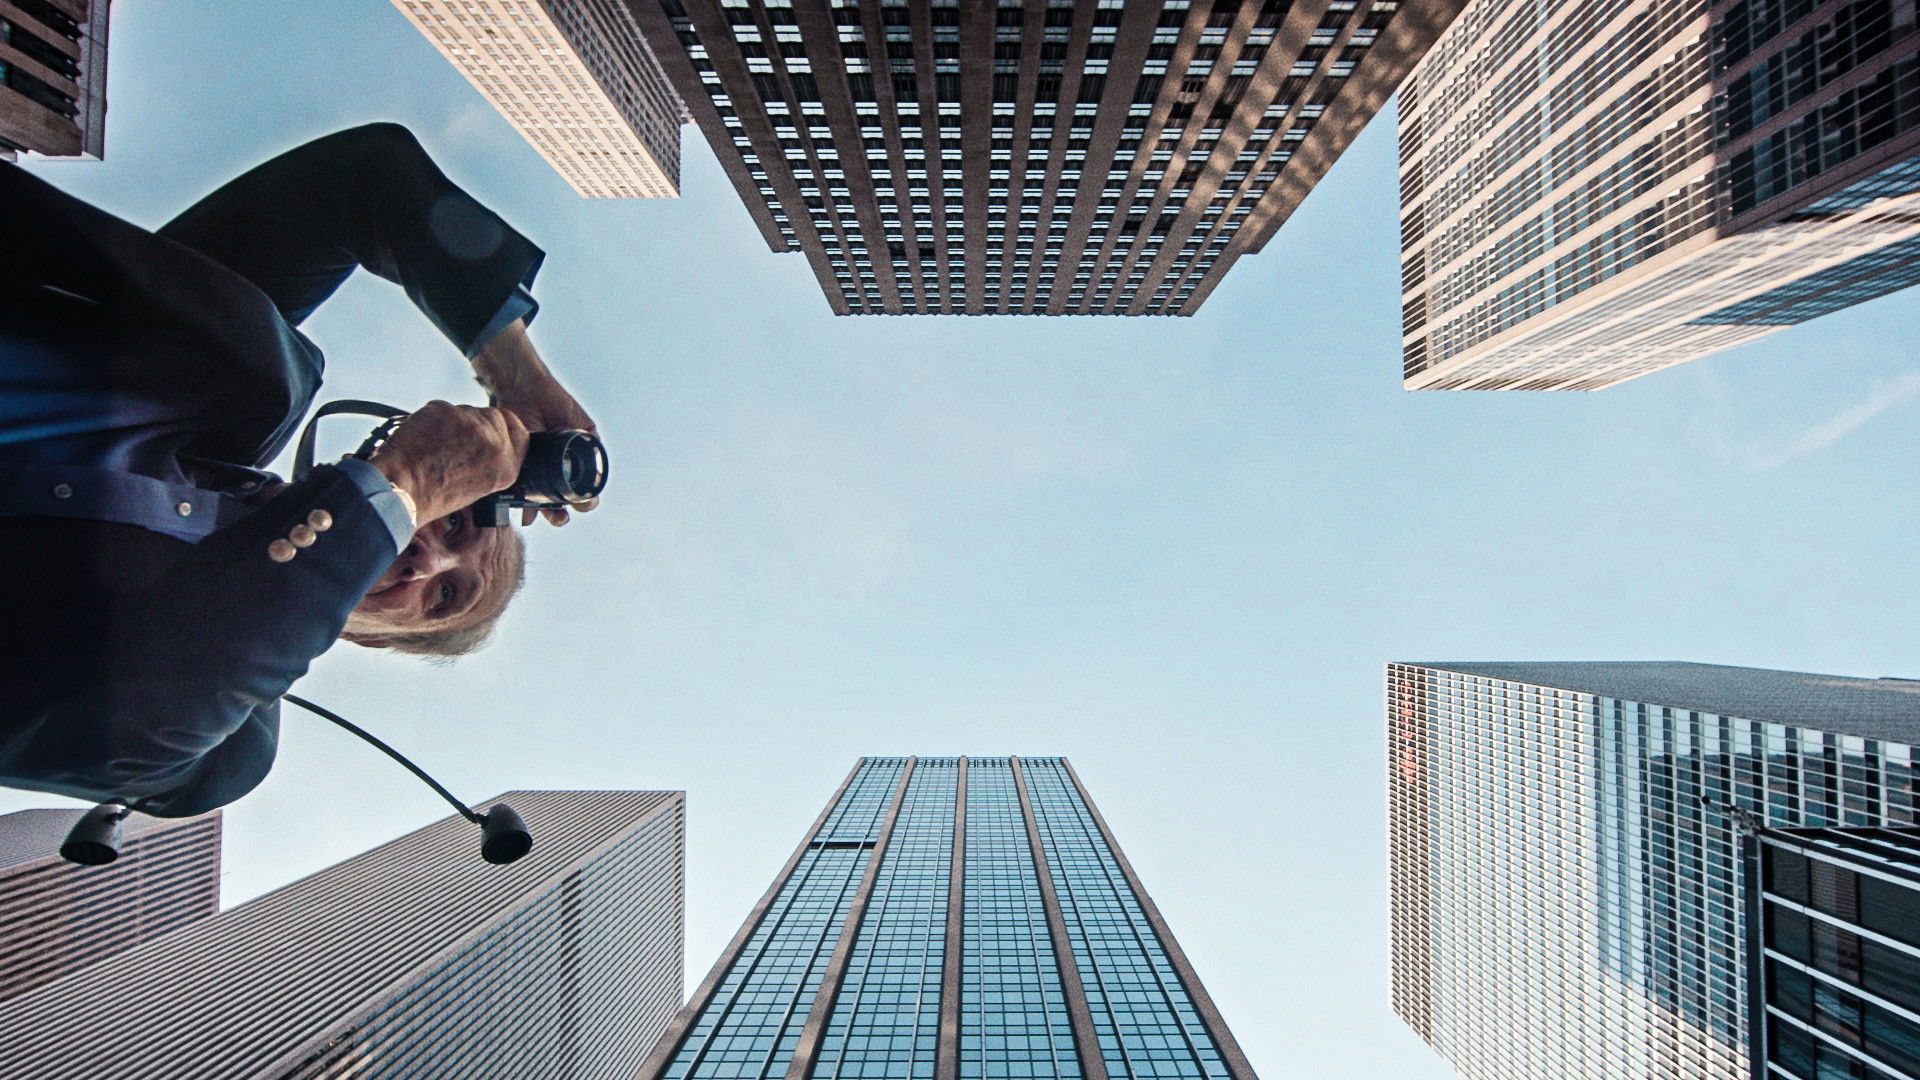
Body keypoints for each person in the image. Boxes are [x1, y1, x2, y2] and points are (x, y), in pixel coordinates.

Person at [0, 123, 597, 818]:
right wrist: (513, 369)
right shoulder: (242, 380)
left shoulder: (221, 744)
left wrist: (396, 497)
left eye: (441, 599)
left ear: (363, 634)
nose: (427, 560)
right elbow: (366, 176)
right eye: (457, 517)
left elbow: (129, 734)